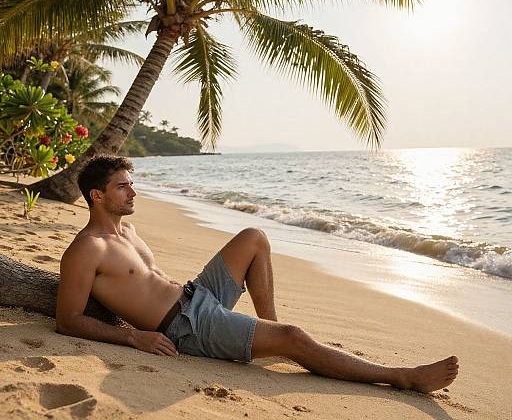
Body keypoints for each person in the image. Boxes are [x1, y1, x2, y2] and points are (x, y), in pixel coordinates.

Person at [56, 155, 459, 393]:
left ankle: (268, 328)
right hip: (186, 327)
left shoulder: (127, 230)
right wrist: (133, 335)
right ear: (98, 195)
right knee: (294, 337)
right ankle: (403, 377)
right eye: (124, 187)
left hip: (197, 295)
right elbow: (68, 320)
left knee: (253, 236)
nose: (133, 192)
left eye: (132, 184)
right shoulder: (86, 249)